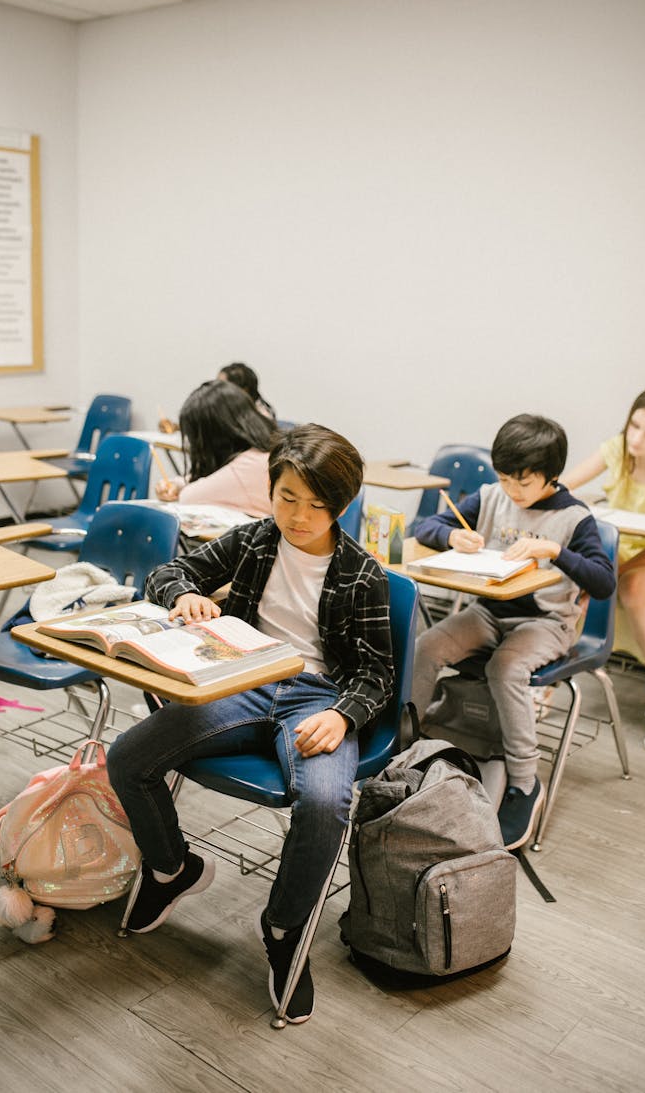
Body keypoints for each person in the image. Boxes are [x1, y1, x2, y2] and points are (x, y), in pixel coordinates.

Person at [107, 424, 394, 1023]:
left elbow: (376, 674)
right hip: (241, 680)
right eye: (287, 497)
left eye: (318, 505)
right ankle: (171, 869)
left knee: (322, 802)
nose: (299, 515)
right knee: (128, 759)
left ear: (341, 506)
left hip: (316, 697)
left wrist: (343, 717)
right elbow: (169, 573)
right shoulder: (257, 541)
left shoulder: (362, 574)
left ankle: (285, 928)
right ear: (272, 490)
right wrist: (185, 595)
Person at [412, 414, 615, 850]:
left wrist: (556, 551)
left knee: (506, 667)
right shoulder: (490, 497)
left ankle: (525, 782)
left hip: (547, 623)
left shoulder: (575, 518)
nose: (512, 491)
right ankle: (408, 743)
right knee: (426, 647)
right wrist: (451, 537)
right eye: (505, 479)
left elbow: (603, 581)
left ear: (552, 476)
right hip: (489, 613)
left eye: (523, 483)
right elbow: (423, 528)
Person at [563, 382, 645, 753]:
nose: (637, 439)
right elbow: (564, 484)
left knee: (632, 586)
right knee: (573, 576)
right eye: (634, 426)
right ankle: (553, 681)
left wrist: (612, 570)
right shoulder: (618, 449)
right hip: (620, 550)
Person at [155, 380, 275, 517]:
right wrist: (177, 484)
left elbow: (189, 497)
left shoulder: (248, 466)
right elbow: (217, 477)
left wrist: (180, 487)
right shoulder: (260, 451)